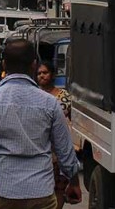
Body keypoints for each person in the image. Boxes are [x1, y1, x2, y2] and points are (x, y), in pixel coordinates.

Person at [0, 38, 81, 209]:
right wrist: (74, 182)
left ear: (4, 65)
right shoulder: (50, 103)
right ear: (34, 65)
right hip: (41, 193)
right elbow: (65, 150)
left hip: (4, 193)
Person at [37, 61, 74, 207]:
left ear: (52, 75)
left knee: (59, 187)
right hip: (41, 149)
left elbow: (72, 120)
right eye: (39, 73)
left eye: (45, 73)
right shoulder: (34, 95)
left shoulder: (64, 96)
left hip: (59, 150)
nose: (42, 76)